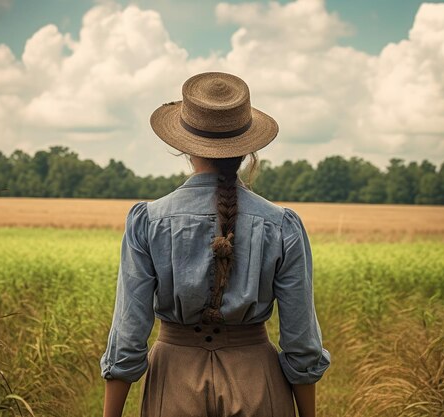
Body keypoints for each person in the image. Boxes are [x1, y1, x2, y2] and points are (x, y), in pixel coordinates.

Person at [100, 72, 331, 417]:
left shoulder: (148, 222)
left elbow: (128, 337)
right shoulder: (282, 226)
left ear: (184, 146)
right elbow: (301, 342)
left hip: (173, 384)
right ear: (248, 150)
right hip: (257, 383)